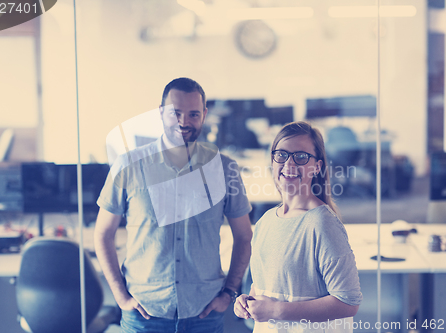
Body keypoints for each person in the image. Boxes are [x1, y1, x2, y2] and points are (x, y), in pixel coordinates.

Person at [94, 77, 253, 333]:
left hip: (204, 314)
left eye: (193, 114)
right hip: (144, 315)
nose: (184, 122)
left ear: (204, 115)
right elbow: (102, 234)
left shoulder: (225, 169)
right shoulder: (129, 166)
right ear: (160, 113)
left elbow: (244, 236)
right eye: (175, 113)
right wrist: (121, 297)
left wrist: (229, 293)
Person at [234, 121, 362, 333]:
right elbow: (263, 286)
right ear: (273, 161)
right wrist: (247, 301)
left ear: (317, 166)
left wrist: (275, 311)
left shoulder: (322, 224)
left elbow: (348, 302)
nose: (289, 164)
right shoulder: (266, 221)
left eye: (301, 157)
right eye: (281, 155)